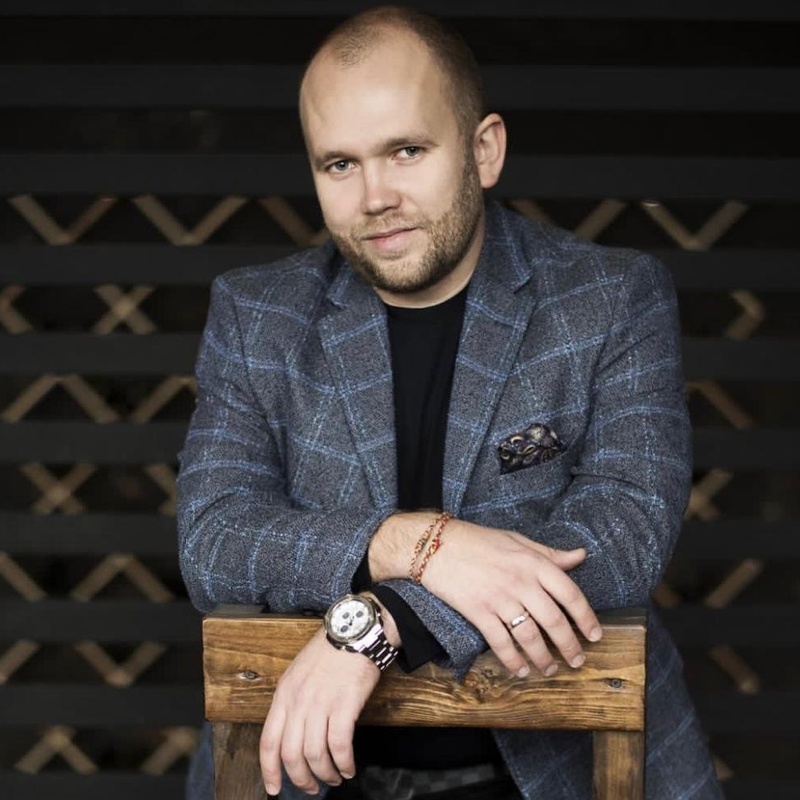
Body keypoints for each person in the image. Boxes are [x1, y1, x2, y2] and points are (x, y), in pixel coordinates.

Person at [177, 6, 723, 799]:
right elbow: (214, 538)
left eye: (406, 151)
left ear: (484, 150)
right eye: (340, 164)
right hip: (306, 777)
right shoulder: (256, 314)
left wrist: (383, 620)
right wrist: (412, 543)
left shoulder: (610, 298)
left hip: (557, 771)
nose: (375, 196)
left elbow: (624, 532)